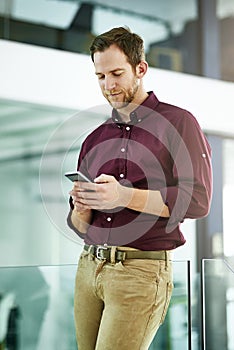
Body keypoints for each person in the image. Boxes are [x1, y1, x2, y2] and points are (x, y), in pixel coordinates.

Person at [67, 26, 212, 350]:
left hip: (140, 271)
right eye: (101, 76)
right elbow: (78, 226)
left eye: (117, 73)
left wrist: (122, 195)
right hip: (89, 267)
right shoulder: (95, 138)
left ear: (140, 69)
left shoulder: (179, 123)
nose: (109, 85)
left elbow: (198, 201)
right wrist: (83, 208)